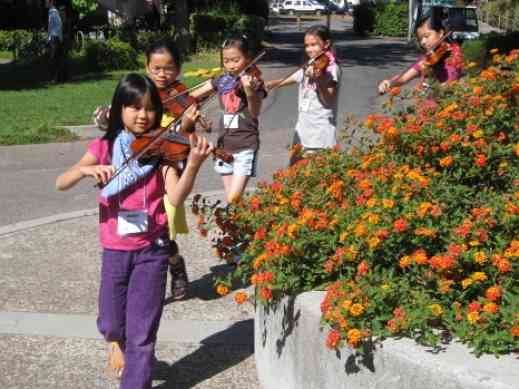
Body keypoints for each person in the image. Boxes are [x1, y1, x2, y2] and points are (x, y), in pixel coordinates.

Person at [56, 73, 213, 388]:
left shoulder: (162, 150)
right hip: (115, 250)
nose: (143, 116)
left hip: (152, 250)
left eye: (150, 109)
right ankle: (115, 342)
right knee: (113, 322)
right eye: (134, 108)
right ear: (119, 110)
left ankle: (135, 378)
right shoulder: (105, 145)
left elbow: (175, 197)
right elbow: (61, 182)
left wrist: (193, 164)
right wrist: (85, 170)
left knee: (142, 331)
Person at [94, 40, 200, 301]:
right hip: (138, 172)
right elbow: (117, 129)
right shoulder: (140, 94)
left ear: (178, 69)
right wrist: (103, 120)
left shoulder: (183, 98)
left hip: (168, 168)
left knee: (165, 228)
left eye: (169, 68)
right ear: (147, 67)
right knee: (147, 229)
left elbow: (185, 142)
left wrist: (187, 123)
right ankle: (149, 272)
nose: (163, 74)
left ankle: (174, 264)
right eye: (156, 69)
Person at [192, 34, 267, 204]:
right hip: (224, 147)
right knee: (232, 201)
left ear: (247, 58)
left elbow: (255, 112)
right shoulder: (222, 80)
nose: (231, 65)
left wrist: (248, 90)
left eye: (236, 60)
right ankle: (240, 229)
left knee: (234, 198)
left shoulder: (254, 81)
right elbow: (194, 95)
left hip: (245, 145)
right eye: (226, 61)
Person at [265, 25, 341, 165]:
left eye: (314, 45)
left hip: (320, 133)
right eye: (307, 45)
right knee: (294, 170)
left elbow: (328, 101)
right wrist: (270, 84)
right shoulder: (311, 64)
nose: (309, 49)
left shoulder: (331, 68)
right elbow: (293, 77)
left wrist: (319, 80)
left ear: (326, 44)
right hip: (303, 129)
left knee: (315, 176)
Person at [377, 13, 464, 95]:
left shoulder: (454, 54)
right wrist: (389, 83)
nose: (423, 42)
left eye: (427, 36)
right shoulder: (429, 57)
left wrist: (429, 74)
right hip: (428, 105)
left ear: (441, 33)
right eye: (420, 39)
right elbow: (403, 78)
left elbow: (449, 84)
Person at [46, 0, 65, 83]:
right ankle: (58, 78)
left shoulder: (52, 11)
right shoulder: (53, 11)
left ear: (51, 2)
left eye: (47, 2)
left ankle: (55, 78)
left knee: (53, 59)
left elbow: (54, 25)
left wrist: (49, 37)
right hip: (56, 37)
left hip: (54, 37)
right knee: (56, 58)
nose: (45, 3)